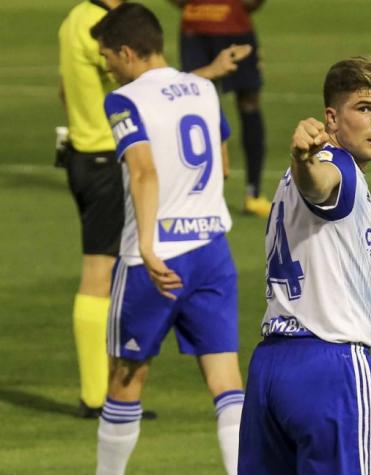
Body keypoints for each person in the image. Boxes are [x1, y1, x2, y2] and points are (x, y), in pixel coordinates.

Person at [58, 0, 250, 419]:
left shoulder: (122, 97)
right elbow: (225, 167)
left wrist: (146, 245)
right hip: (212, 250)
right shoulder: (202, 88)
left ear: (126, 52)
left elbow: (143, 173)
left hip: (154, 255)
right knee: (226, 382)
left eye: (108, 57)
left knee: (126, 378)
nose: (107, 68)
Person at [237, 56, 371, 475]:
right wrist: (303, 160)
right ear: (332, 117)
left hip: (271, 369)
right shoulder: (337, 167)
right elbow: (320, 183)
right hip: (331, 367)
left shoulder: (284, 183)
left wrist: (301, 164)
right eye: (364, 109)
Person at [169, 0, 271, 217]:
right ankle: (253, 194)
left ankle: (194, 197)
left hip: (197, 26)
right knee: (247, 103)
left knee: (193, 103)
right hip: (229, 26)